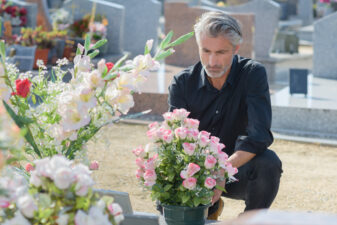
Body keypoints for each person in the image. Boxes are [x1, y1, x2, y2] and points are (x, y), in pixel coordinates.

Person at [168, 11, 283, 220]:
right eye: (206, 51)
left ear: (236, 49)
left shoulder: (253, 74)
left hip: (237, 169)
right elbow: (175, 139)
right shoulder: (182, 83)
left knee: (269, 164)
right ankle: (207, 210)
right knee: (165, 178)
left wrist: (221, 171)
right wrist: (201, 176)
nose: (212, 61)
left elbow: (259, 136)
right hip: (195, 170)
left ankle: (249, 221)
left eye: (221, 52)